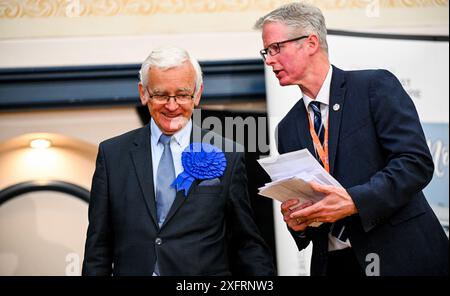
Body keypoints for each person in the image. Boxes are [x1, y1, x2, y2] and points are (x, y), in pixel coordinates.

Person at [254, 2, 448, 276]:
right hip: (334, 266)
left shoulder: (373, 87)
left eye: (276, 48)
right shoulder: (287, 127)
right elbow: (307, 204)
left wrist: (355, 201)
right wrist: (298, 222)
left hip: (400, 257)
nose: (269, 60)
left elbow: (415, 163)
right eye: (266, 52)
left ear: (310, 42)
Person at [82, 46, 275, 276]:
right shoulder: (112, 155)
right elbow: (98, 250)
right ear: (143, 93)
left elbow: (247, 244)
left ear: (198, 94)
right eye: (161, 95)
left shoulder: (228, 154)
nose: (172, 106)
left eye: (182, 95)